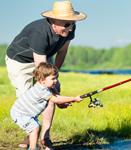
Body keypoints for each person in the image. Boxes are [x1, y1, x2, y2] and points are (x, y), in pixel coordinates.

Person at [5, 0, 86, 149]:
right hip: (20, 62)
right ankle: (31, 131)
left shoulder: (70, 29)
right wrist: (55, 94)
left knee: (52, 89)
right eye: (66, 24)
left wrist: (56, 76)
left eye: (72, 23)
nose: (70, 28)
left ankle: (45, 136)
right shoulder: (39, 32)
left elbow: (62, 51)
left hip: (44, 58)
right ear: (53, 21)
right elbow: (42, 71)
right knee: (31, 97)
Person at [10, 62, 82, 150]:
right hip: (20, 113)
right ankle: (33, 148)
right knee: (35, 128)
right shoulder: (41, 90)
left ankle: (33, 146)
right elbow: (56, 99)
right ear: (42, 80)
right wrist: (74, 98)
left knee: (36, 127)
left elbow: (57, 97)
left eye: (56, 78)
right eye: (53, 78)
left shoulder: (46, 87)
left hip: (27, 114)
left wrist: (64, 103)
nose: (56, 81)